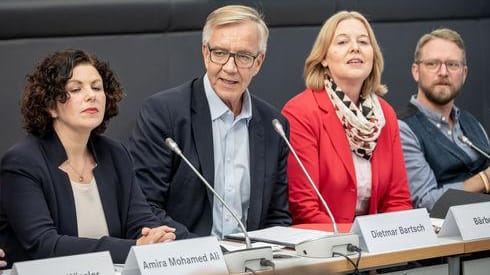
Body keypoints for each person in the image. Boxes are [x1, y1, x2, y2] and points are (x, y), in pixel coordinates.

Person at [0, 49, 176, 268]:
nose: (91, 95)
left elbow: (140, 222)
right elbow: (45, 245)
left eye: (97, 87)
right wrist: (135, 248)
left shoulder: (115, 154)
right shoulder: (22, 162)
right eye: (76, 89)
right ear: (51, 105)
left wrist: (156, 237)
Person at [128, 5, 291, 240]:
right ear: (205, 52)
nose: (230, 67)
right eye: (220, 53)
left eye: (243, 56)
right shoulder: (164, 114)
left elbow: (278, 217)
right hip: (185, 258)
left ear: (258, 62)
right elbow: (145, 206)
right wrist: (206, 253)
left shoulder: (273, 125)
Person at [282, 11, 413, 225]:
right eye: (342, 42)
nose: (355, 48)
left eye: (363, 41)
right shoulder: (301, 112)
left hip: (379, 246)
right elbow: (304, 207)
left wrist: (389, 238)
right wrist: (356, 241)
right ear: (323, 58)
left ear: (373, 55)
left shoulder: (385, 114)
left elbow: (397, 200)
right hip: (326, 244)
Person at [398, 28, 490, 210]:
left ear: (464, 74)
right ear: (416, 71)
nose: (443, 72)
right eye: (432, 64)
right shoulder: (402, 129)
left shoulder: (472, 123)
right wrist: (484, 179)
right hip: (445, 236)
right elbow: (426, 202)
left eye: (452, 65)